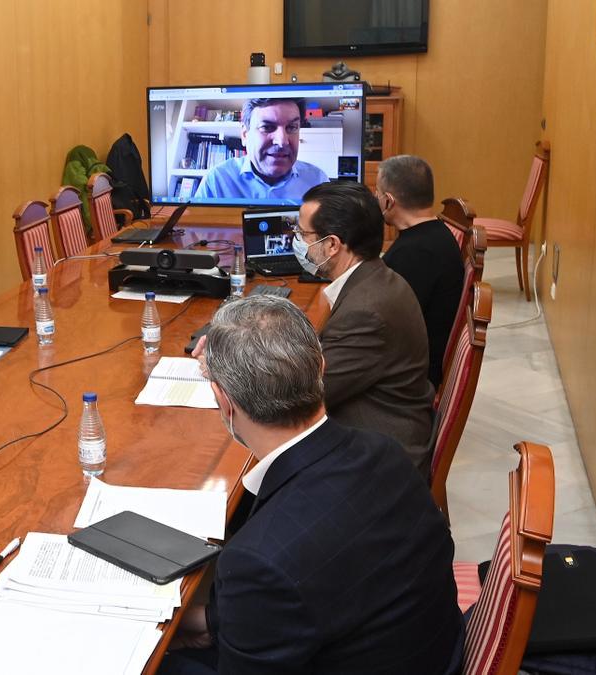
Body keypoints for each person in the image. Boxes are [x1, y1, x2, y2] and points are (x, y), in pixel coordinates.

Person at [167, 295, 463, 674]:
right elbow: (334, 588)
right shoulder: (385, 453)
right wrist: (210, 622)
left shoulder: (257, 560)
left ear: (224, 402)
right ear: (320, 368)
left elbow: (296, 580)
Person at [293, 181, 435, 471]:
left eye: (302, 234)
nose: (297, 241)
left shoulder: (366, 311)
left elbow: (305, 394)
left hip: (380, 459)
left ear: (332, 244)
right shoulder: (377, 278)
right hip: (381, 425)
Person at [378, 155, 464, 387]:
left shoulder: (415, 254)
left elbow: (382, 324)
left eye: (378, 193)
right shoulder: (432, 236)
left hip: (408, 379)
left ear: (388, 201)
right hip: (415, 361)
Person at [194, 98, 330, 202]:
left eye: (292, 127)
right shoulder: (218, 181)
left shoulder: (317, 182)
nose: (282, 141)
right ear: (245, 134)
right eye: (267, 127)